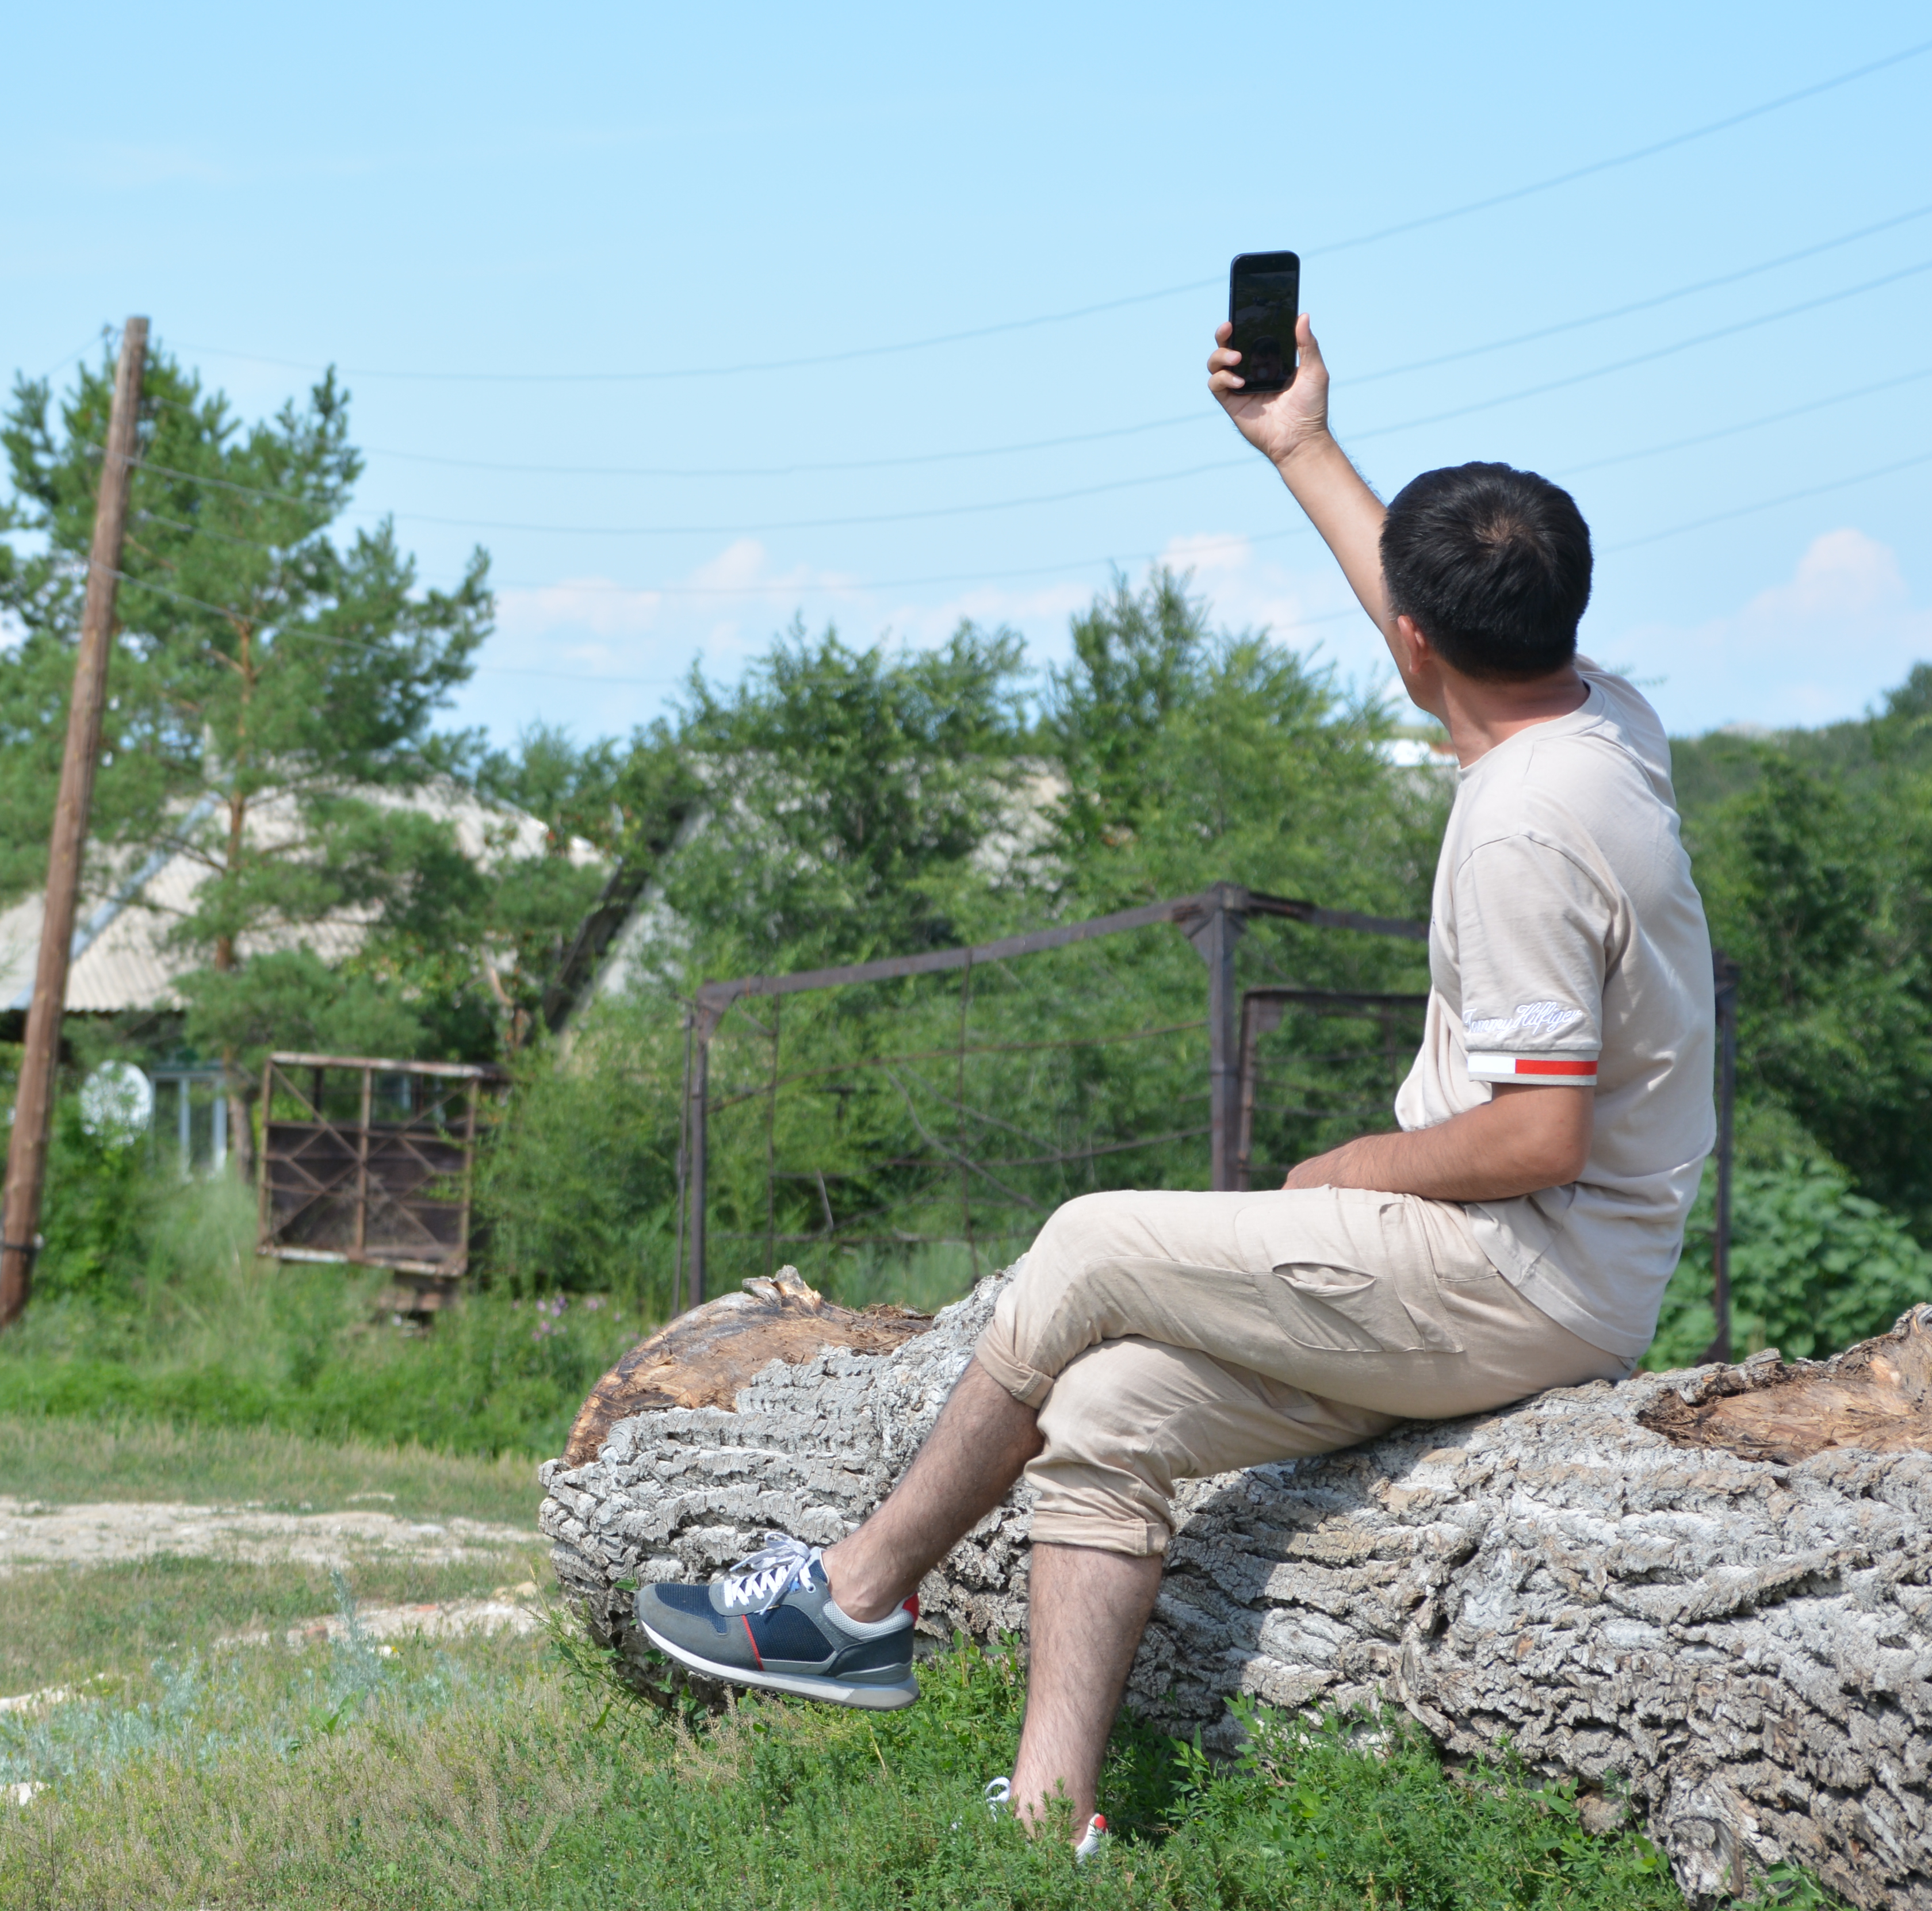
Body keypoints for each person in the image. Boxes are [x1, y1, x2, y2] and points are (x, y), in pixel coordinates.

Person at [634, 305, 1717, 1847]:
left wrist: (1359, 1168)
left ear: (1421, 645)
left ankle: (856, 1596)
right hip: (1541, 1270)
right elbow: (1429, 628)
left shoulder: (1522, 828)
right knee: (1116, 1409)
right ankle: (1048, 1823)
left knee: (1084, 1244)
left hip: (1521, 1272)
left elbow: (1542, 1130)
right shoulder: (1602, 719)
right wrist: (1302, 445)